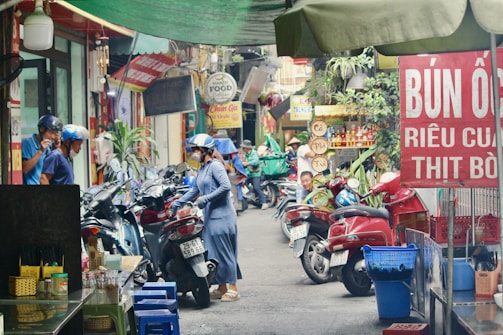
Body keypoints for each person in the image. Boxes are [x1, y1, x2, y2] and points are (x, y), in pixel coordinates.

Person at [172, 133, 242, 302]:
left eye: (196, 149)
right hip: (210, 217)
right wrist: (178, 202)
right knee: (214, 253)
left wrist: (206, 199)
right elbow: (194, 190)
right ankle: (222, 286)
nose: (193, 153)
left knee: (225, 252)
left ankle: (233, 287)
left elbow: (225, 187)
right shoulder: (203, 169)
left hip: (222, 216)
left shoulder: (215, 166)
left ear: (205, 150)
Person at [22, 114, 63, 185]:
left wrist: (58, 148)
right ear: (42, 129)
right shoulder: (27, 143)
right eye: (51, 133)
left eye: (56, 133)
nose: (53, 137)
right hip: (30, 190)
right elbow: (25, 169)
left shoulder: (48, 148)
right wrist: (40, 151)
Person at [241, 139, 268, 210]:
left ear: (247, 148)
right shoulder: (246, 154)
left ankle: (264, 202)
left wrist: (248, 163)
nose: (243, 149)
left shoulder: (254, 153)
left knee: (256, 187)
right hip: (249, 174)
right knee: (243, 185)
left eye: (244, 147)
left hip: (256, 174)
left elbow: (255, 161)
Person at [296, 135, 316, 203]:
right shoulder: (303, 148)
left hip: (313, 184)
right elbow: (311, 155)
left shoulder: (317, 152)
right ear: (311, 139)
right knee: (301, 207)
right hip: (303, 183)